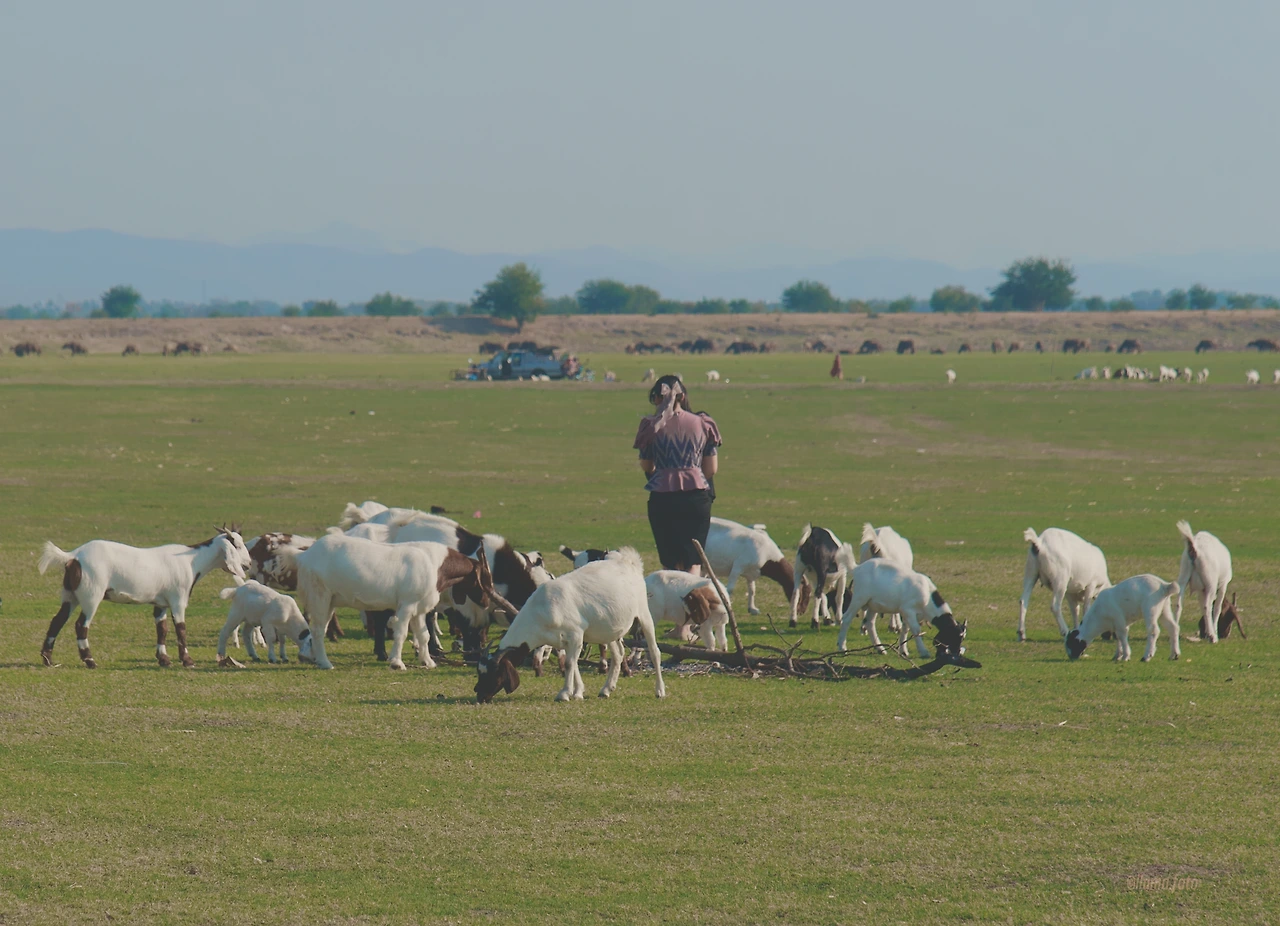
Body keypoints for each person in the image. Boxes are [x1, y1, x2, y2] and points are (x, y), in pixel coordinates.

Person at [633, 374, 722, 575]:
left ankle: (673, 602)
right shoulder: (703, 423)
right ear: (682, 397)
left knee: (670, 563)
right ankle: (692, 603)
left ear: (657, 398)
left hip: (663, 498)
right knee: (693, 562)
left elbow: (647, 466)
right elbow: (711, 470)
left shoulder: (650, 427)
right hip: (696, 498)